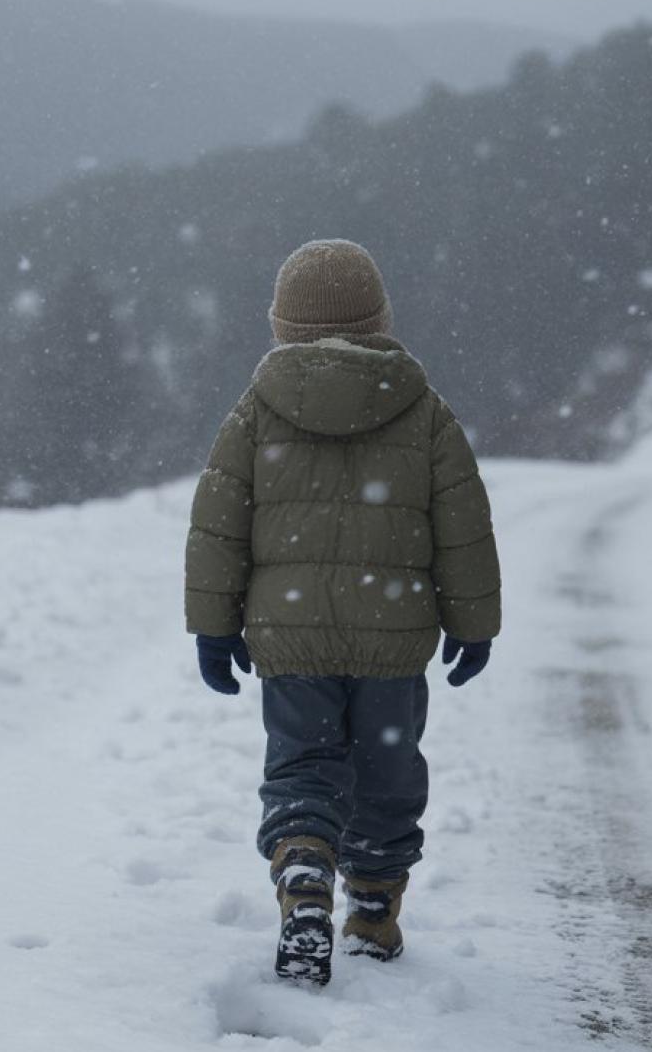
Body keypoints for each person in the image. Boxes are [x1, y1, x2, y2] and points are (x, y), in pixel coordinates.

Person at [184, 239, 501, 985]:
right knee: (388, 772)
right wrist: (474, 623)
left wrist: (213, 625)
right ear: (379, 319)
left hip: (292, 639)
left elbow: (218, 524)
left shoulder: (256, 412)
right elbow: (463, 525)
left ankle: (303, 868)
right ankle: (372, 910)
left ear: (282, 324)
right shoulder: (423, 411)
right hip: (393, 637)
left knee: (303, 763)